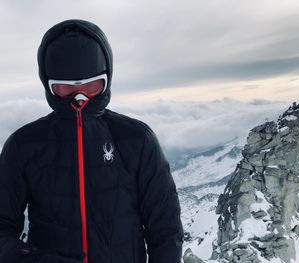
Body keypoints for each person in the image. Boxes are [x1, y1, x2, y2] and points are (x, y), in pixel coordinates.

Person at [0, 19, 184, 263]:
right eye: (66, 88)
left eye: (92, 86)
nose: (80, 96)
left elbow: (165, 228)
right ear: (49, 85)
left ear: (107, 80)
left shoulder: (136, 139)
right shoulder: (23, 146)